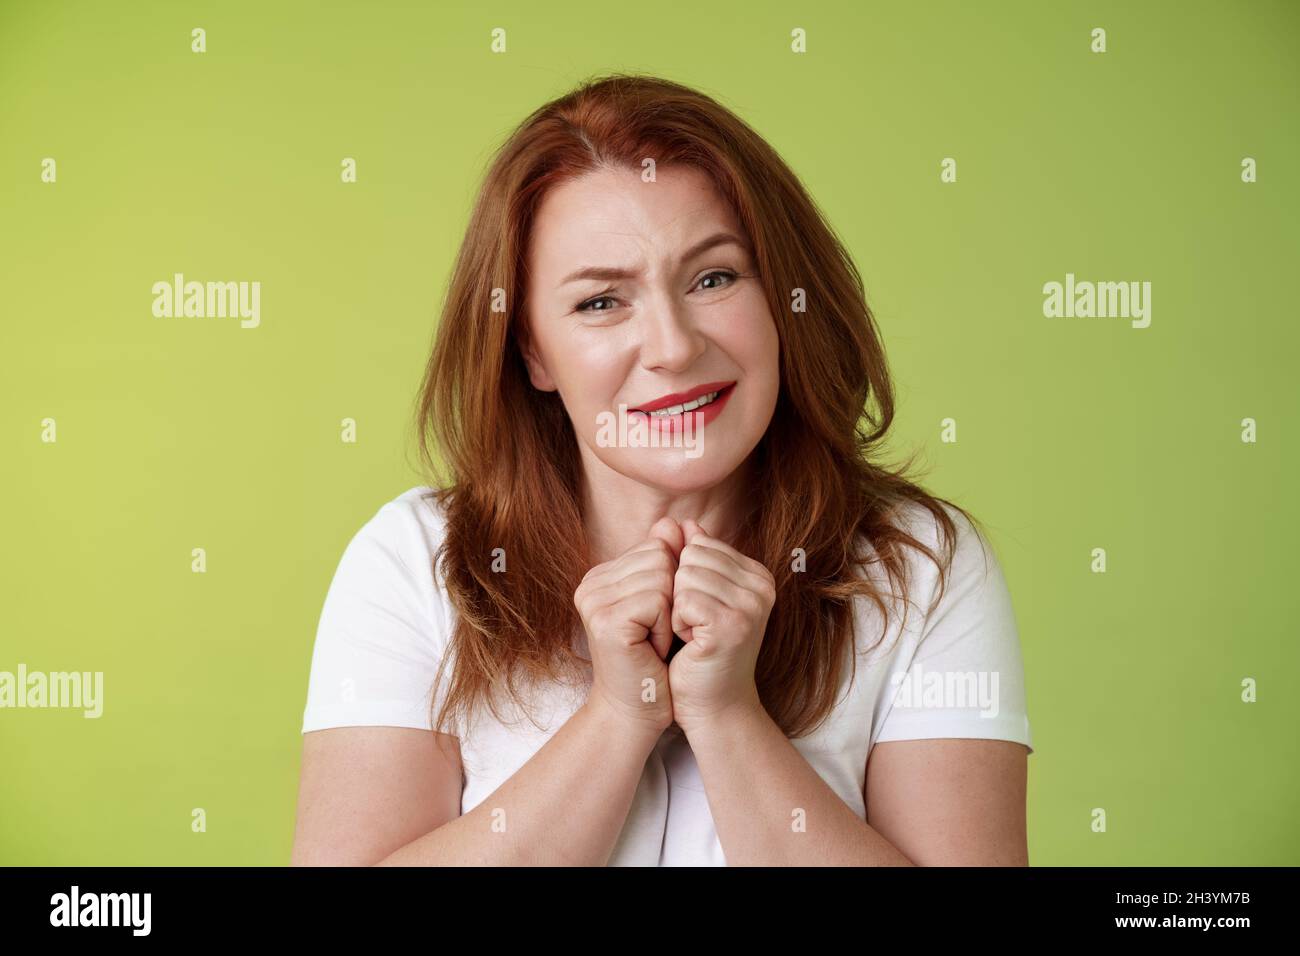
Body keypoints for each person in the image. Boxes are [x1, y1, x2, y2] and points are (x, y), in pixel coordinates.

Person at [291, 72, 1033, 866]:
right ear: (533, 350)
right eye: (601, 303)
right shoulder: (413, 562)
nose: (675, 347)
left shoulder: (921, 564)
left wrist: (728, 717)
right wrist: (617, 717)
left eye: (713, 278)